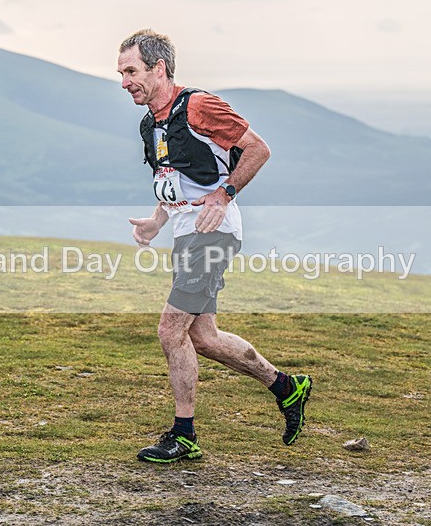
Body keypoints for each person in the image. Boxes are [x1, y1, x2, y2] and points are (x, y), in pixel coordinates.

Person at [117, 29, 312, 463]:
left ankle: (184, 435)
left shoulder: (199, 105)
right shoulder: (151, 121)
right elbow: (173, 180)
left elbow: (257, 150)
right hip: (187, 231)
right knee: (202, 336)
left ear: (159, 68)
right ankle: (286, 386)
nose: (124, 81)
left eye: (131, 71)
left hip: (214, 232)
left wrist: (224, 195)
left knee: (171, 331)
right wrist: (156, 220)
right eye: (121, 72)